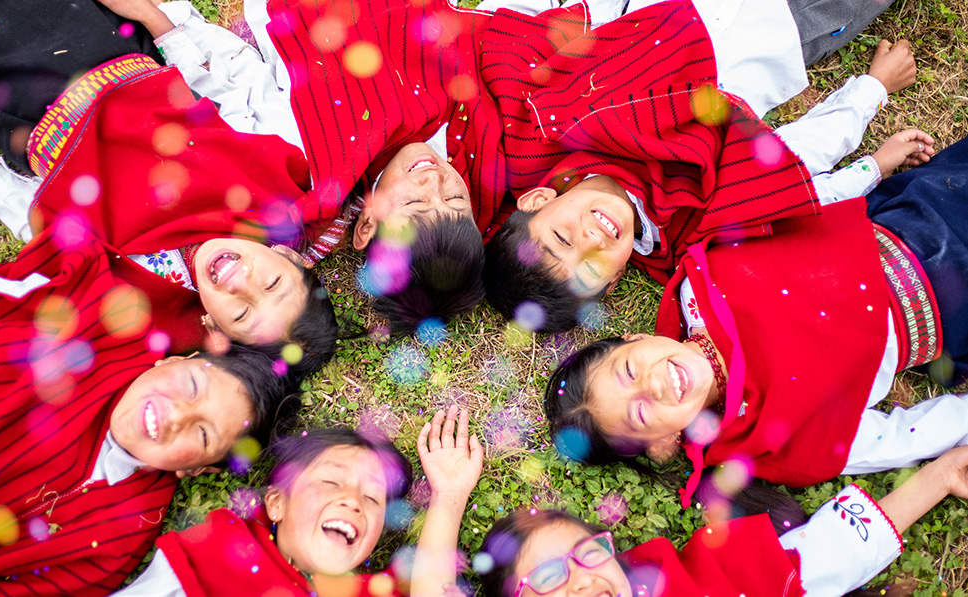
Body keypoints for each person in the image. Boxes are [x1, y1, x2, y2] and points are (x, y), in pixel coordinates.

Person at [0, 1, 339, 382]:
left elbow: (45, 235)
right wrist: (156, 20)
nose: (240, 283)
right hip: (103, 52)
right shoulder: (269, 186)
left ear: (211, 326)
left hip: (26, 112)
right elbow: (227, 93)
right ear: (291, 257)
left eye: (240, 314)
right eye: (272, 283)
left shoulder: (145, 284)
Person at [543, 135, 968, 506]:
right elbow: (897, 437)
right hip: (951, 310)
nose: (651, 386)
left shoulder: (700, 281)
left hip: (912, 212)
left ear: (634, 338)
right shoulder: (764, 440)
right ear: (662, 446)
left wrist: (870, 166)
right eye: (639, 414)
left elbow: (794, 208)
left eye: (630, 370)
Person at [0, 223, 293, 596]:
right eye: (190, 386)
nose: (178, 414)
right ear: (170, 362)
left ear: (198, 469)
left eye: (203, 435)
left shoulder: (116, 540)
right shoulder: (81, 330)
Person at [481, 5, 919, 333]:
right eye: (591, 268)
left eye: (563, 238)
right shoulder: (692, 225)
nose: (591, 241)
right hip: (786, 25)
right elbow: (789, 162)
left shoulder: (547, 124)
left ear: (538, 200)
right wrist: (871, 91)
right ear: (614, 280)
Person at [475, 445, 968, 596]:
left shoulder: (713, 580)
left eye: (588, 552)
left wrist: (942, 476)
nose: (582, 578)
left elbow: (830, 552)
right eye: (546, 577)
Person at [114, 406, 483, 597]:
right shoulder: (226, 546)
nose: (353, 500)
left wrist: (448, 495)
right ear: (275, 503)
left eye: (372, 497)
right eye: (330, 480)